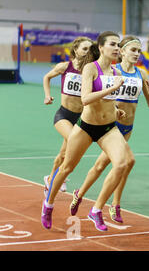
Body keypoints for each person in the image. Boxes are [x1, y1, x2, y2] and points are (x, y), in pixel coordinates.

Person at [41, 31, 135, 232]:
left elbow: (110, 101)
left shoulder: (117, 73)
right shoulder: (90, 69)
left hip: (108, 128)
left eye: (119, 45)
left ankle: (96, 209)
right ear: (101, 47)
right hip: (85, 126)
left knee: (123, 163)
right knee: (66, 167)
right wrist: (111, 89)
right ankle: (48, 205)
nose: (117, 48)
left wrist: (116, 110)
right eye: (113, 44)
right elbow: (85, 99)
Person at [70, 36, 149, 223]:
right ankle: (105, 203)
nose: (137, 54)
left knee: (111, 165)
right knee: (123, 162)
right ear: (122, 51)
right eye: (133, 50)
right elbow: (99, 97)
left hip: (128, 128)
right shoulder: (113, 72)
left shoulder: (142, 74)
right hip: (110, 126)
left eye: (139, 51)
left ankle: (88, 195)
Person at [42, 36, 94, 197]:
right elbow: (47, 77)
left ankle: (51, 178)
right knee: (74, 140)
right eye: (84, 49)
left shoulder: (90, 71)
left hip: (81, 117)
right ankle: (61, 175)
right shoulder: (65, 66)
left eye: (90, 49)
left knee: (64, 153)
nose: (87, 52)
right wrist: (47, 95)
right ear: (75, 50)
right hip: (63, 115)